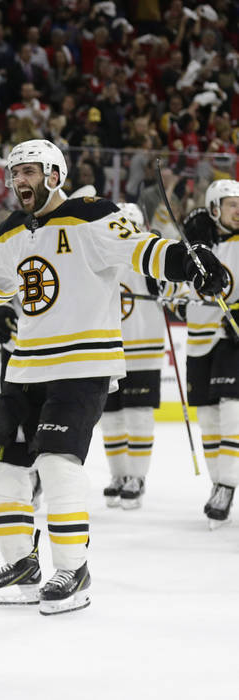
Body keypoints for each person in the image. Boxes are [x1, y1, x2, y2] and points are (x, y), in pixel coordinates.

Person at [0, 140, 225, 616]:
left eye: (31, 172)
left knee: (57, 461)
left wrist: (189, 261)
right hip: (26, 366)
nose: (20, 181)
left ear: (55, 175)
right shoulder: (11, 231)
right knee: (2, 463)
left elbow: (144, 249)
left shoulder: (92, 215)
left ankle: (73, 569)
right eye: (14, 173)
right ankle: (21, 562)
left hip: (82, 365)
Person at [98, 202, 166, 510]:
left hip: (143, 348)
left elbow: (170, 289)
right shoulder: (100, 258)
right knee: (110, 419)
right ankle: (119, 475)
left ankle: (137, 478)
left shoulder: (148, 260)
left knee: (138, 416)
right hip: (108, 349)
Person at [181, 180, 239, 527]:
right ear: (214, 209)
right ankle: (219, 484)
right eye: (231, 204)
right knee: (208, 419)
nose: (238, 210)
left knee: (232, 408)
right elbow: (177, 287)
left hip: (231, 339)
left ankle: (228, 482)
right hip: (198, 339)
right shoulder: (197, 246)